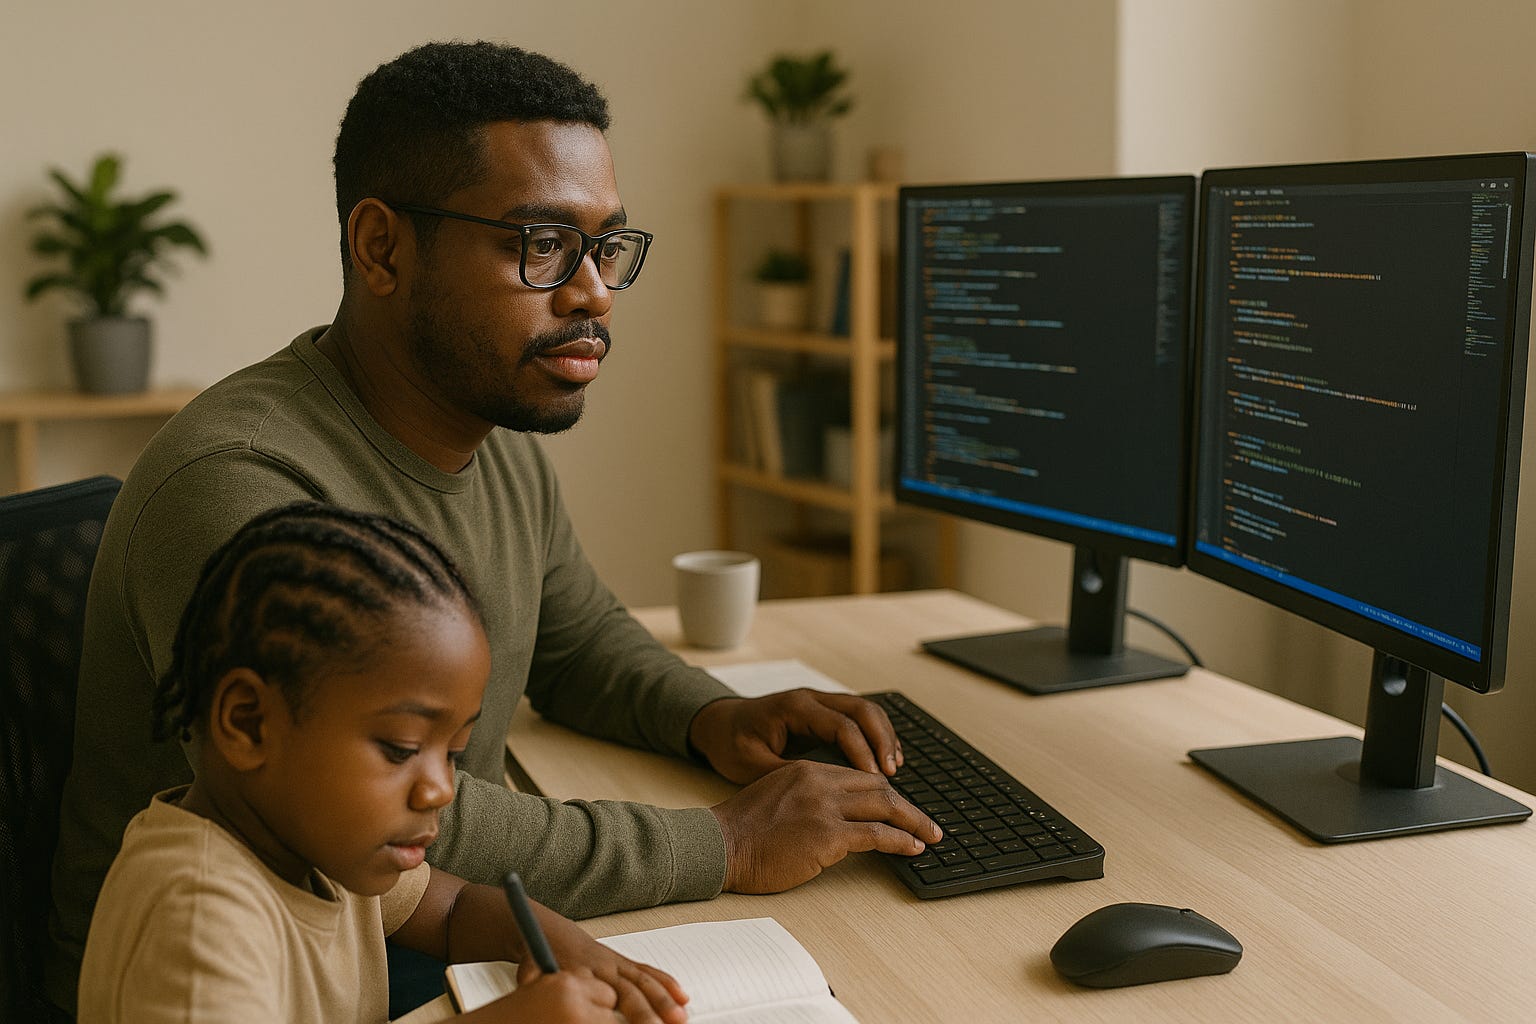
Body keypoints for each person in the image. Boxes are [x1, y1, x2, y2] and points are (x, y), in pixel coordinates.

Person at [47, 39, 940, 1016]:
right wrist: (721, 844)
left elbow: (574, 637)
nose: (593, 290)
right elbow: (419, 816)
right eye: (542, 244)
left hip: (382, 929)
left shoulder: (492, 430)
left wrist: (713, 717)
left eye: (605, 247)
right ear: (382, 246)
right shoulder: (241, 488)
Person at [77, 502, 688, 1023]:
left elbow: (449, 911)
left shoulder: (318, 843)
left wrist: (572, 947)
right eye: (400, 749)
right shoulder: (198, 918)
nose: (441, 790)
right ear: (248, 722)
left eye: (450, 754)